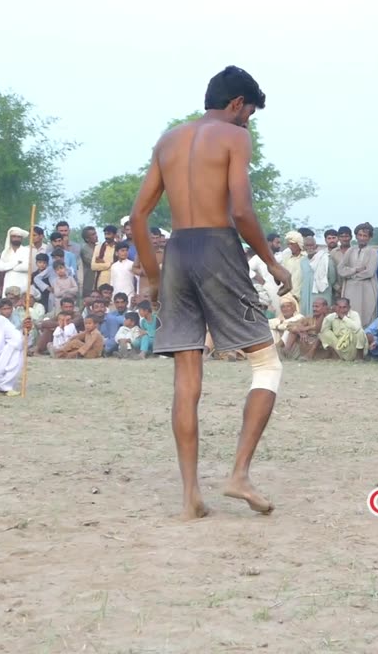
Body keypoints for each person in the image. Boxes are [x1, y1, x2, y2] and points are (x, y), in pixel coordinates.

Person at [129, 65, 292, 520]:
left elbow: (138, 217)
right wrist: (271, 261)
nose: (248, 125)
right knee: (265, 362)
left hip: (177, 251)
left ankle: (190, 498)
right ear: (237, 104)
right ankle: (238, 474)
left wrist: (154, 274)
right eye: (250, 116)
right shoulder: (234, 136)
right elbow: (240, 209)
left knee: (187, 379)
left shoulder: (168, 140)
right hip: (218, 245)